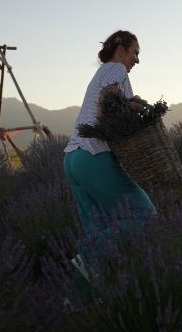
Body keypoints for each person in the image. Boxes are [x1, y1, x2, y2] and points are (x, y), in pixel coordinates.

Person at [63, 30, 157, 260]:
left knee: (95, 229)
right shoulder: (117, 68)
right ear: (120, 50)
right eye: (135, 52)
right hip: (95, 154)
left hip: (73, 158)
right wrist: (130, 109)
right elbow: (107, 104)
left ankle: (85, 287)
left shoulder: (101, 73)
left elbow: (106, 101)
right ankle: (86, 255)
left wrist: (128, 103)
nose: (137, 59)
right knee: (146, 218)